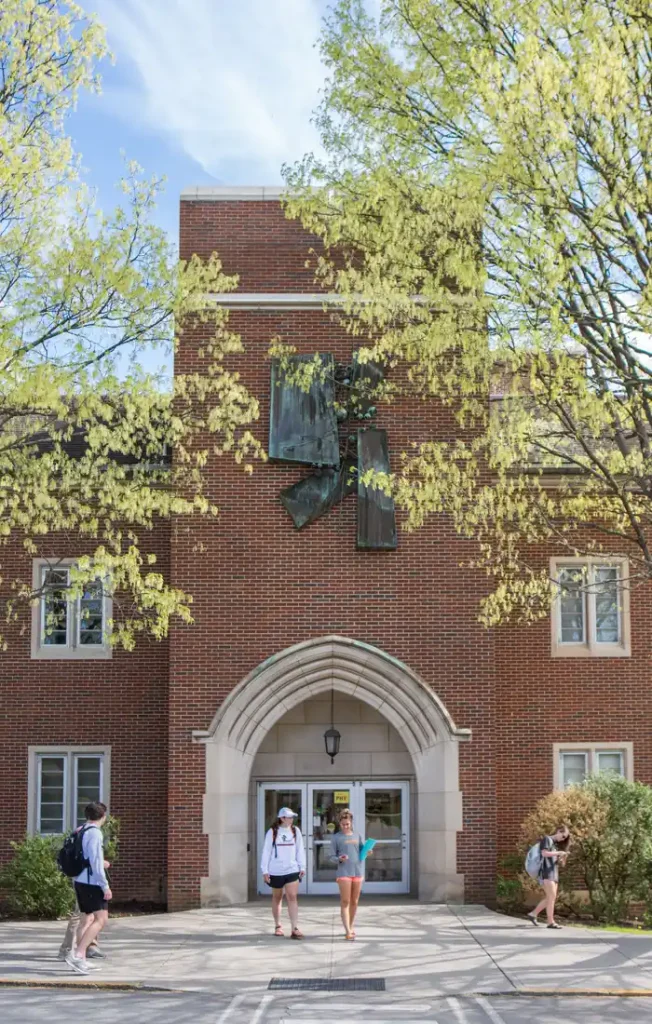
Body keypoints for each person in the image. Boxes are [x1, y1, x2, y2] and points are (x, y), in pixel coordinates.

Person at [65, 801, 112, 974]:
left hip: (79, 880)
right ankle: (77, 954)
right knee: (101, 919)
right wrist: (105, 886)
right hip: (91, 882)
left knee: (87, 919)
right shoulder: (95, 833)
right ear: (103, 816)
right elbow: (95, 861)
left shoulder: (80, 829)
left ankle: (81, 958)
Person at [260, 806, 306, 939]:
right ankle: (278, 925)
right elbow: (266, 851)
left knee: (292, 897)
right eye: (289, 817)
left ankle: (294, 928)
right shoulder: (272, 832)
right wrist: (265, 870)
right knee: (277, 897)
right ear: (282, 818)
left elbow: (300, 850)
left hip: (292, 869)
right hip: (276, 871)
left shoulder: (295, 831)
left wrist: (302, 867)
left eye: (292, 817)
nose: (291, 819)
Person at [330, 807, 365, 941]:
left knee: (354, 901)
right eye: (343, 824)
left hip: (357, 871)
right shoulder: (336, 837)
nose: (345, 826)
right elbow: (331, 856)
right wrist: (339, 859)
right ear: (340, 823)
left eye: (348, 824)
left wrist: (367, 852)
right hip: (344, 872)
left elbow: (361, 851)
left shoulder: (357, 835)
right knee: (345, 901)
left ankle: (351, 925)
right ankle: (347, 930)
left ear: (351, 823)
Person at [527, 824, 570, 929]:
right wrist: (558, 852)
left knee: (552, 897)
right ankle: (550, 922)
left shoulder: (554, 844)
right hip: (546, 872)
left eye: (565, 838)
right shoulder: (547, 839)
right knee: (551, 897)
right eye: (563, 836)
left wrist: (561, 857)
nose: (562, 839)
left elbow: (552, 858)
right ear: (558, 831)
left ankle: (533, 914)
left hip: (553, 872)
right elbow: (544, 854)